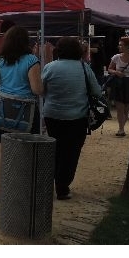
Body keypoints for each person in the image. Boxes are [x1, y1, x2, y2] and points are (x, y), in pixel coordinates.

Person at [0, 26, 43, 207]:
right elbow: (37, 89)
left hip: (2, 109)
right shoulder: (31, 60)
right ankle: (18, 192)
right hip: (25, 113)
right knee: (25, 152)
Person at [42, 37, 102, 200]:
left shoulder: (49, 67)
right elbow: (97, 91)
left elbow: (41, 89)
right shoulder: (84, 68)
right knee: (71, 152)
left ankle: (50, 182)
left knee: (55, 149)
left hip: (52, 115)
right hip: (77, 116)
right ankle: (62, 186)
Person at [107, 36, 129, 136]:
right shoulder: (116, 57)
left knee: (126, 108)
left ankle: (122, 128)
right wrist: (116, 72)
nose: (119, 46)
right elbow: (109, 69)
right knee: (120, 107)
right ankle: (121, 129)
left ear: (128, 46)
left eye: (121, 45)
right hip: (119, 83)